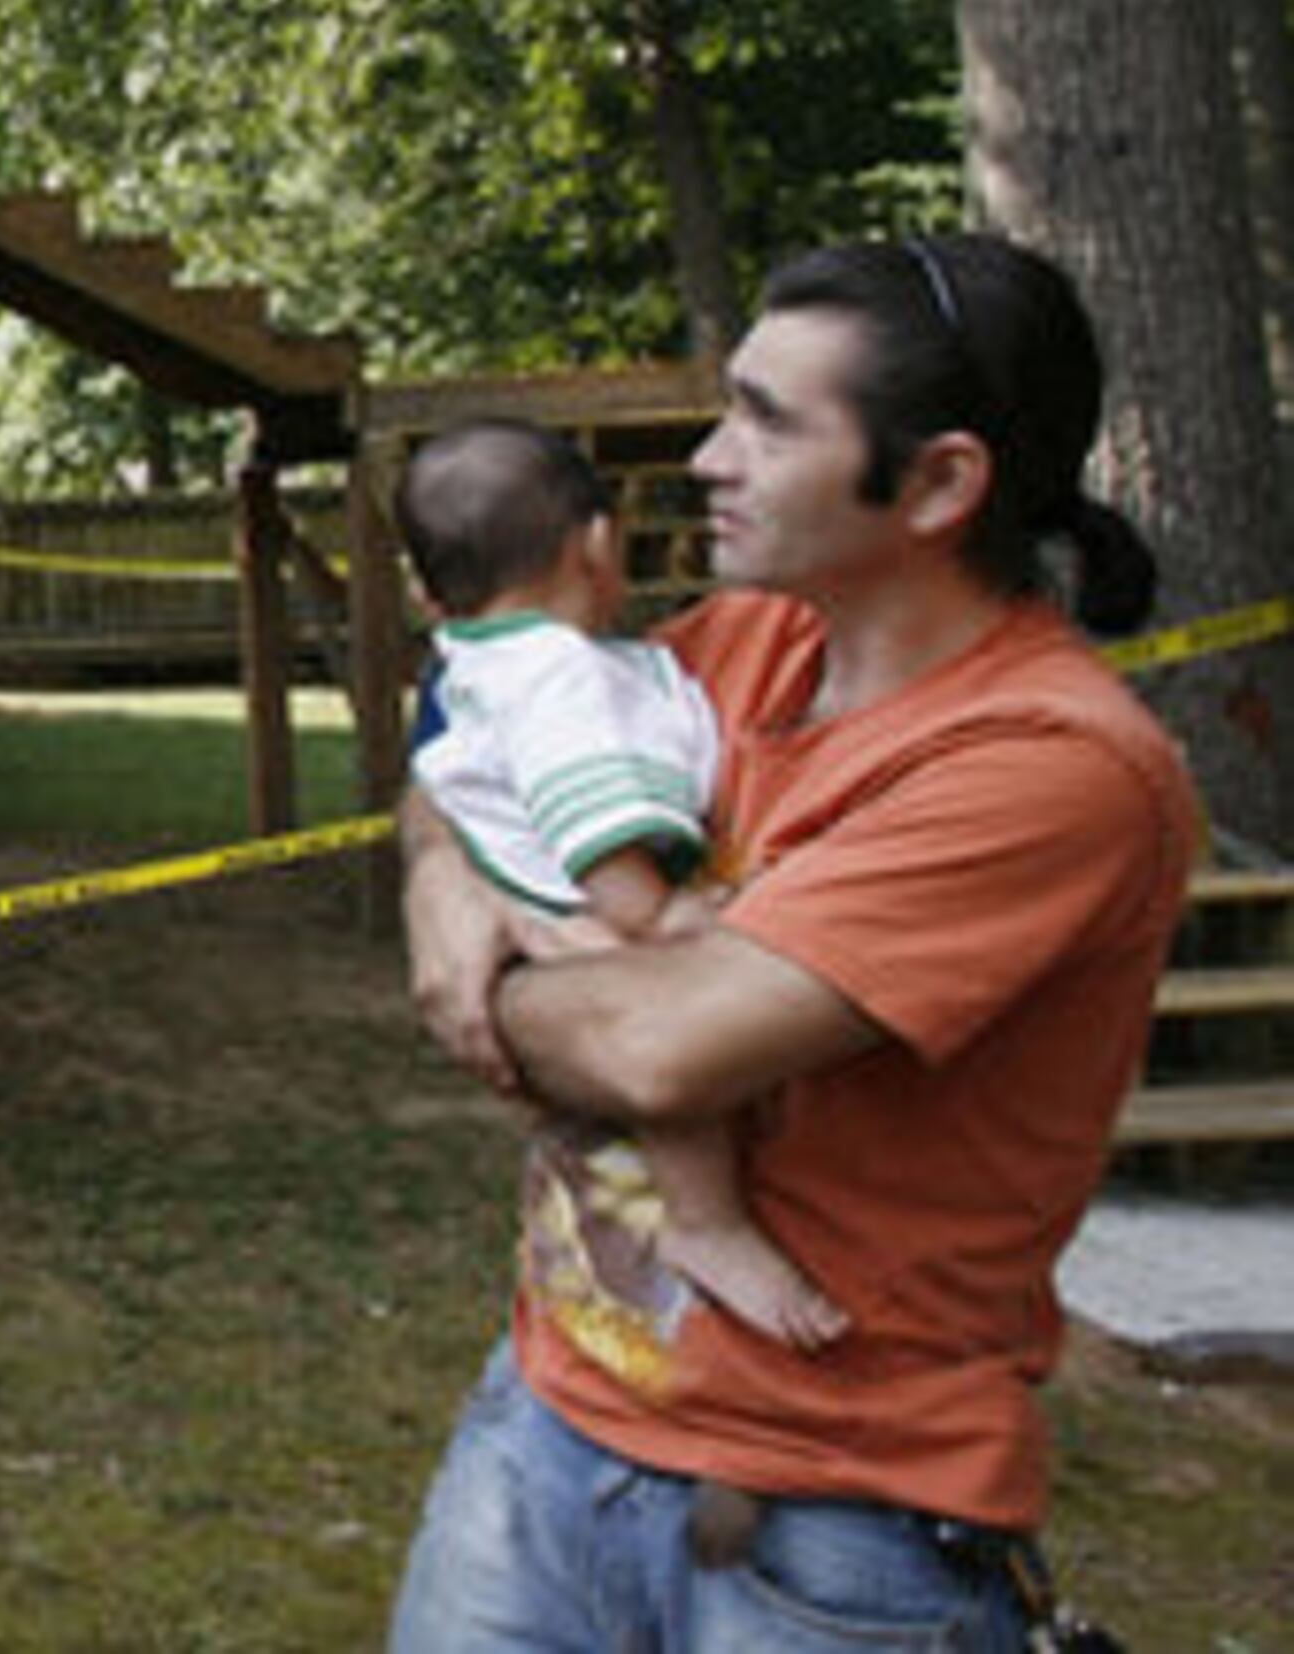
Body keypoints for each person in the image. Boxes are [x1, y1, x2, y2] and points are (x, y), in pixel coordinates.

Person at [390, 235, 1198, 1649]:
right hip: (549, 1424)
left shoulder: (1053, 761)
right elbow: (481, 752)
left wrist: (487, 981)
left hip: (832, 1522)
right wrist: (441, 885)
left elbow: (658, 1051)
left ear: (942, 481)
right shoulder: (745, 644)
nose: (709, 456)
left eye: (768, 420)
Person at [395, 416, 846, 1351]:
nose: (716, 457)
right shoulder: (563, 672)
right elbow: (585, 798)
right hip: (585, 899)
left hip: (536, 902)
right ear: (597, 545)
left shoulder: (483, 658)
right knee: (669, 1046)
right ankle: (708, 1225)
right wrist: (656, 908)